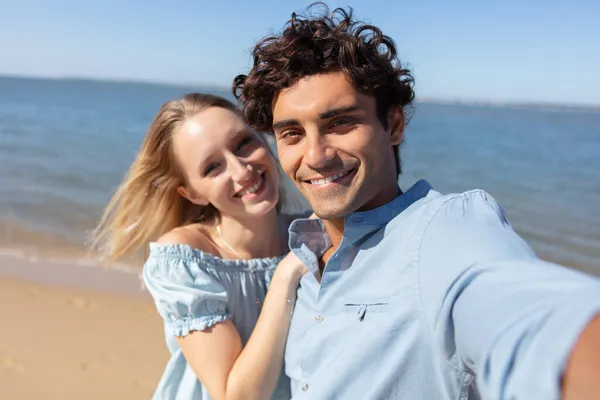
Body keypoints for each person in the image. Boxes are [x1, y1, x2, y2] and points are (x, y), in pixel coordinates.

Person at [233, 5, 600, 399]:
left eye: (340, 123)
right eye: (292, 133)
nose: (315, 155)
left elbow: (537, 324)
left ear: (392, 125)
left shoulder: (443, 232)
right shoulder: (304, 257)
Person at [93, 93, 308, 400]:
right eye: (212, 167)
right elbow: (237, 396)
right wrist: (286, 276)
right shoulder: (187, 260)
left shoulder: (311, 233)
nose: (241, 169)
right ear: (192, 193)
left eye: (243, 143)